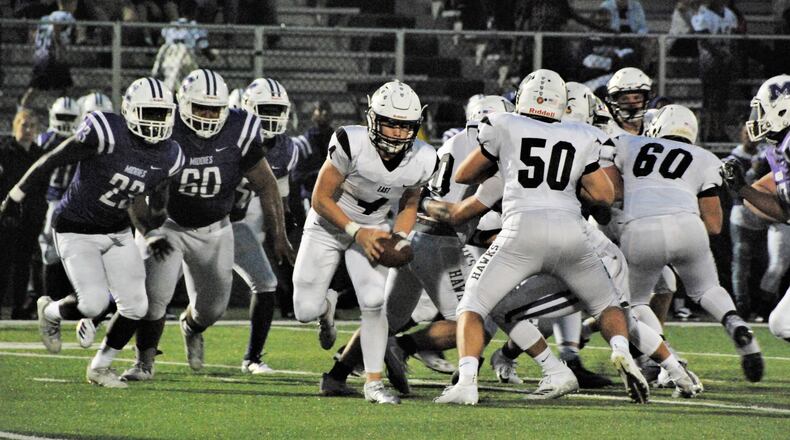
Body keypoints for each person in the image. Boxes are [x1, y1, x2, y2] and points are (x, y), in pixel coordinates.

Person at [434, 69, 649, 405]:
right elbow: (604, 194)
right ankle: (621, 350)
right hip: (572, 231)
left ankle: (466, 383)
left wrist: (502, 162)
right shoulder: (582, 133)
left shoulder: (504, 124)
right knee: (607, 303)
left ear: (523, 98)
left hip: (522, 230)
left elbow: (465, 174)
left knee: (473, 306)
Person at [318, 95, 514, 397]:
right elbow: (461, 211)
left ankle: (336, 377)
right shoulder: (491, 152)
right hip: (440, 239)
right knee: (476, 321)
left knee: (390, 318)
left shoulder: (456, 142)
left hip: (417, 235)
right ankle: (413, 353)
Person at [0, 77, 184, 387]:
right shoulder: (106, 131)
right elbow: (51, 160)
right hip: (75, 225)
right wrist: (15, 196)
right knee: (94, 304)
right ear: (129, 110)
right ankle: (50, 310)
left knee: (137, 305)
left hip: (116, 228)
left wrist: (149, 230)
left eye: (161, 114)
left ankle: (100, 366)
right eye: (148, 113)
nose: (155, 121)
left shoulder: (170, 154)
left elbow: (137, 194)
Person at [121, 69, 294, 382]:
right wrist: (148, 231)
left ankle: (190, 327)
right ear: (183, 104)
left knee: (212, 309)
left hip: (216, 228)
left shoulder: (239, 129)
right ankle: (143, 361)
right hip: (170, 225)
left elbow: (267, 184)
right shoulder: (166, 127)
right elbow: (136, 188)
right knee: (153, 296)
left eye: (215, 108)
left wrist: (279, 235)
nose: (208, 115)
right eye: (200, 107)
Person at [291, 80, 437, 404]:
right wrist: (357, 231)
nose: (398, 133)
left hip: (374, 227)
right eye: (390, 123)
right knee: (303, 310)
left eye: (405, 126)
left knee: (374, 303)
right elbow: (319, 198)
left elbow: (410, 202)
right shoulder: (350, 141)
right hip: (329, 223)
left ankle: (373, 383)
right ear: (372, 119)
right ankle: (326, 306)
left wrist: (399, 236)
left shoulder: (425, 158)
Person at [609, 104, 764, 382]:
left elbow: (608, 185)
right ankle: (736, 324)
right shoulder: (704, 157)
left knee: (634, 303)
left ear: (657, 127)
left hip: (641, 226)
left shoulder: (629, 143)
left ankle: (666, 358)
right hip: (688, 225)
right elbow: (715, 225)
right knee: (707, 289)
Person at [235, 77, 299, 374]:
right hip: (194, 220)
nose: (272, 116)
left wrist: (281, 234)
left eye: (277, 109)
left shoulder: (286, 149)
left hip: (234, 225)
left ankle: (252, 358)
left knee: (266, 284)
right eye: (265, 108)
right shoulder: (230, 134)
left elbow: (280, 198)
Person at [720, 74, 790, 343]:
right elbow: (782, 207)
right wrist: (743, 189)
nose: (757, 116)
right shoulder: (779, 149)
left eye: (763, 108)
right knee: (781, 323)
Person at [0, 109, 45, 319]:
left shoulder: (39, 154)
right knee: (4, 262)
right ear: (14, 126)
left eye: (31, 126)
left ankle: (19, 307)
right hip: (7, 216)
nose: (27, 130)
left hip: (31, 216)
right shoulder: (5, 152)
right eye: (23, 125)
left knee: (23, 263)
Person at [692, 0, 738, 141]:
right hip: (710, 64)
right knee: (710, 100)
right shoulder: (701, 14)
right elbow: (704, 39)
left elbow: (735, 37)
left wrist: (731, 55)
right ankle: (708, 132)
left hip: (726, 63)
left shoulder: (730, 14)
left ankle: (720, 131)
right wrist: (722, 54)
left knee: (722, 100)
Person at [20, 0, 77, 109]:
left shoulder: (46, 18)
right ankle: (61, 108)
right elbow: (57, 27)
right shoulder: (67, 16)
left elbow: (36, 34)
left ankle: (24, 107)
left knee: (39, 86)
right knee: (66, 87)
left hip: (41, 55)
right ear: (69, 4)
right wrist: (59, 46)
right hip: (53, 56)